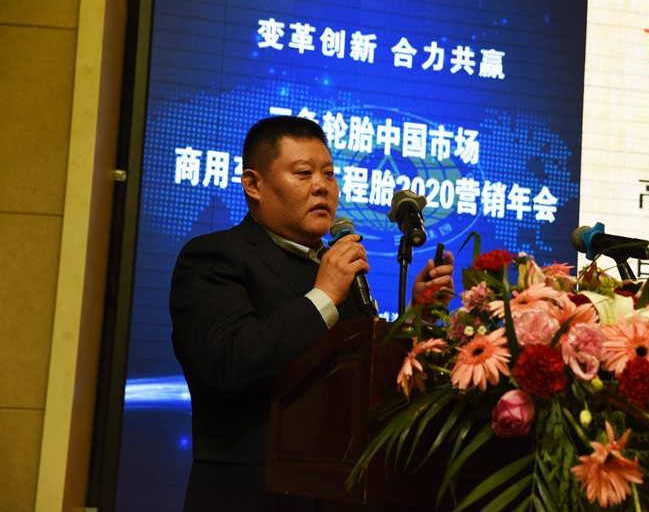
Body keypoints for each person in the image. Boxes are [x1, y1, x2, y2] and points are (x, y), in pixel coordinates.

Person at [170, 115, 455, 511]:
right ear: (253, 184)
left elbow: (360, 372)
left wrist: (417, 317)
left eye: (329, 174)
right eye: (303, 173)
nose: (322, 186)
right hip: (250, 492)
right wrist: (323, 295)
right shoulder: (215, 257)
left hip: (339, 490)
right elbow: (228, 364)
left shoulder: (334, 270)